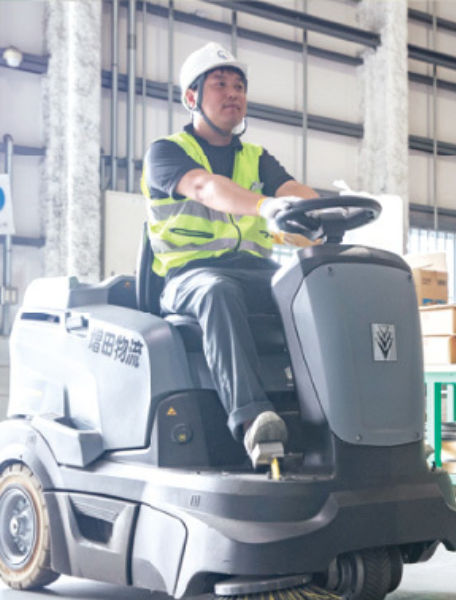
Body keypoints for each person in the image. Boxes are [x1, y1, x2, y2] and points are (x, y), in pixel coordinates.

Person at [141, 42, 318, 463]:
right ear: (192, 97)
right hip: (188, 278)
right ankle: (254, 421)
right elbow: (205, 187)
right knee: (217, 291)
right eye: (220, 84)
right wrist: (265, 205)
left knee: (315, 289)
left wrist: (321, 210)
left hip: (257, 273)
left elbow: (292, 190)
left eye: (239, 86)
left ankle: (337, 419)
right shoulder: (167, 152)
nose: (233, 93)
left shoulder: (256, 158)